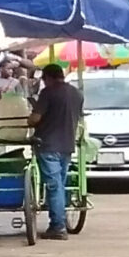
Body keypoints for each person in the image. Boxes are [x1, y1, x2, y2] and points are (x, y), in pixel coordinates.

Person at [32, 61, 84, 239]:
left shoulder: (48, 93)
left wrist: (31, 119)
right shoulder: (77, 93)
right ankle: (58, 221)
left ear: (48, 78)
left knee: (54, 187)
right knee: (59, 185)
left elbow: (35, 118)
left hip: (48, 145)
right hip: (67, 145)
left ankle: (58, 226)